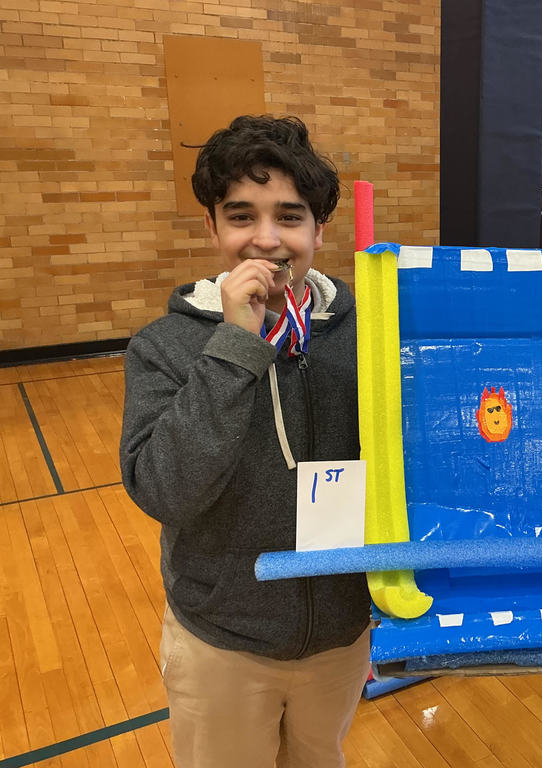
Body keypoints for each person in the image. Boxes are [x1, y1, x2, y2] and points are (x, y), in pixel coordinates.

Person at [120, 115, 370, 768]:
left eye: (289, 217)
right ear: (211, 227)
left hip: (339, 636)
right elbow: (164, 488)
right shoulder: (166, 346)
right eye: (241, 216)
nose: (266, 240)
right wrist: (233, 347)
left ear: (320, 229)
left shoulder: (366, 332)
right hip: (223, 641)